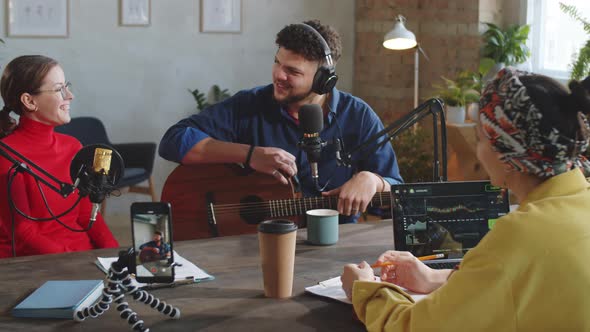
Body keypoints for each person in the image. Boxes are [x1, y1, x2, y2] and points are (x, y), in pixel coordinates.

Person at [341, 68, 590, 331]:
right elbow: (523, 284)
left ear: (506, 155)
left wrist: (367, 289)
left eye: (480, 139)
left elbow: (414, 327)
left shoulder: (517, 236)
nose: (477, 150)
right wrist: (435, 278)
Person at [159, 20, 403, 223]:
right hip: (255, 244)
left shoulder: (358, 116)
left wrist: (371, 180)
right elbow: (173, 141)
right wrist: (249, 154)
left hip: (333, 246)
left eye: (293, 71)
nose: (278, 75)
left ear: (323, 80)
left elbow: (396, 187)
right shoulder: (249, 105)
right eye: (277, 62)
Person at [0, 55, 119, 258]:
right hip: (40, 262)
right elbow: (24, 234)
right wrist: (74, 262)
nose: (69, 95)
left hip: (81, 257)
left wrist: (116, 255)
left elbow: (86, 215)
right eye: (58, 89)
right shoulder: (6, 155)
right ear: (29, 101)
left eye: (67, 86)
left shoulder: (73, 146)